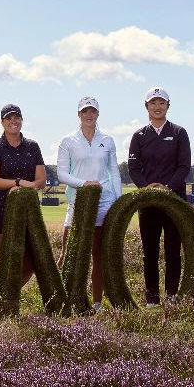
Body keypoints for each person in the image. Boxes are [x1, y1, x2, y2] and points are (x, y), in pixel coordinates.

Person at [56, 96, 122, 311]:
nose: (89, 115)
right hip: (77, 202)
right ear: (79, 115)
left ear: (98, 114)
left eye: (92, 111)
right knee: (68, 254)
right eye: (84, 111)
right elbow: (62, 174)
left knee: (98, 255)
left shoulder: (108, 140)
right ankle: (61, 298)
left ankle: (96, 303)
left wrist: (119, 203)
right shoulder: (68, 141)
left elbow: (114, 172)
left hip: (104, 203)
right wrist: (85, 184)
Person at [128, 87, 191, 306]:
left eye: (161, 103)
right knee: (150, 252)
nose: (157, 107)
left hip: (174, 201)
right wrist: (148, 188)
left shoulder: (179, 132)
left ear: (168, 106)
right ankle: (152, 299)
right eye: (153, 103)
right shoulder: (139, 136)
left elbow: (184, 167)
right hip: (148, 202)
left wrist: (167, 187)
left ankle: (172, 297)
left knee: (173, 250)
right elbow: (133, 168)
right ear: (146, 107)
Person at [0, 103, 46, 286]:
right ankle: (3, 301)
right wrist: (18, 183)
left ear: (21, 120)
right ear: (2, 122)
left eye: (16, 117)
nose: (13, 121)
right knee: (8, 261)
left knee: (30, 262)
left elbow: (41, 180)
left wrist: (28, 189)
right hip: (0, 209)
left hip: (28, 211)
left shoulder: (32, 146)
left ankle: (7, 296)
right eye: (8, 118)